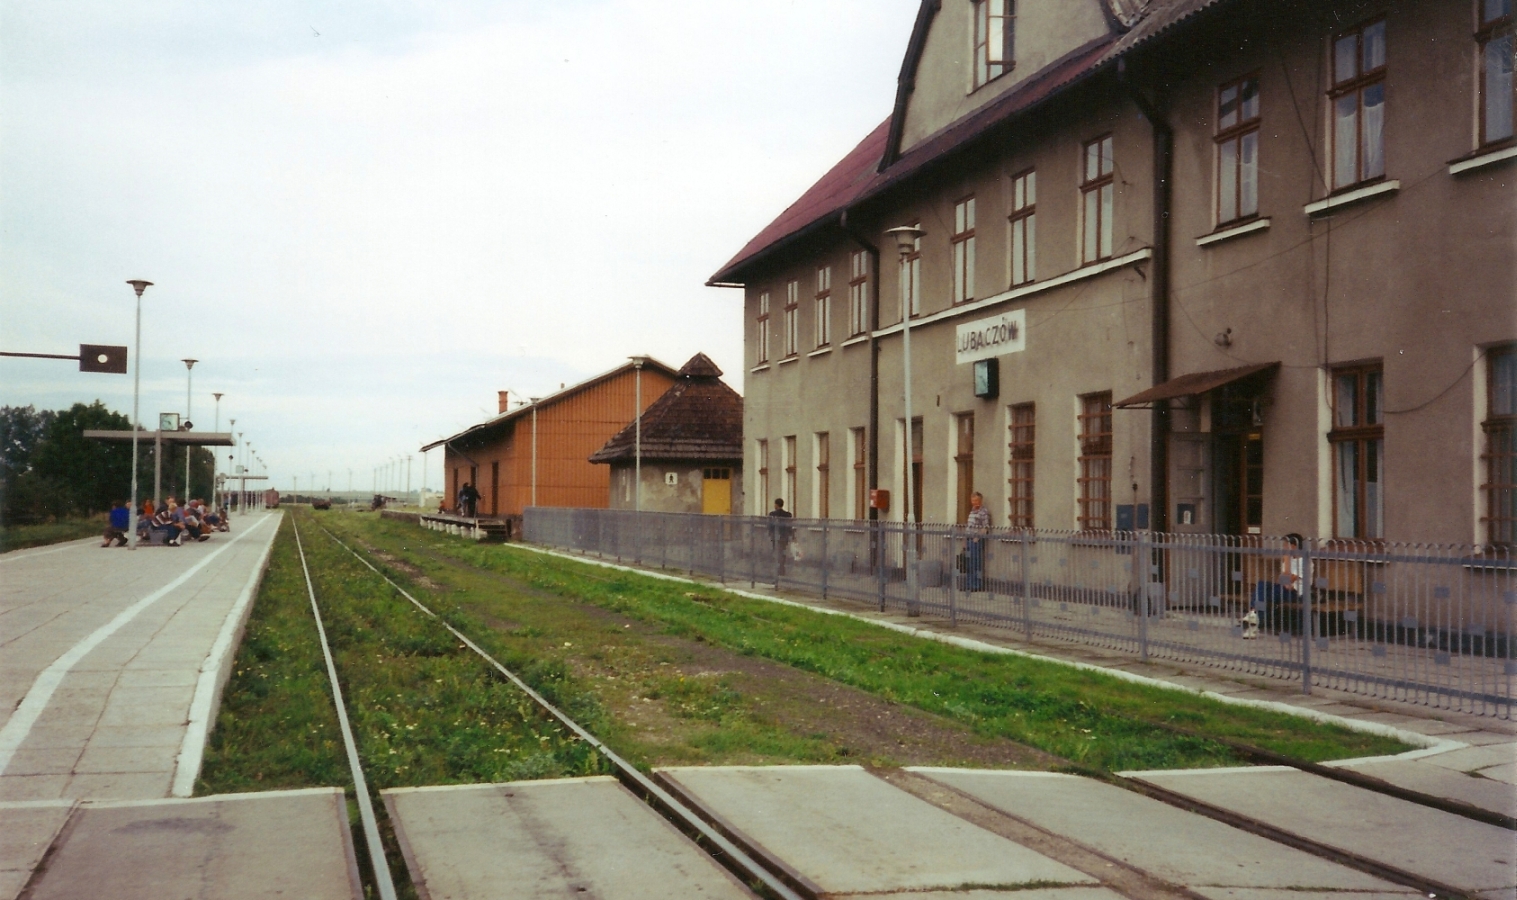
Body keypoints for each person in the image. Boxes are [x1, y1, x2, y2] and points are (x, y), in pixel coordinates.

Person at [1250, 533, 1307, 634]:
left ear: (1293, 546)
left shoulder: (1305, 562)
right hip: (1284, 588)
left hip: (1296, 593)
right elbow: (1282, 580)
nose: (1284, 548)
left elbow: (1289, 580)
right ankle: (1255, 617)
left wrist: (1286, 559)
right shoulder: (1288, 561)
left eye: (1286, 545)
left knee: (1264, 595)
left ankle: (1255, 617)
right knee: (1261, 584)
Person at [963, 491, 991, 592]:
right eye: (973, 500)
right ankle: (969, 584)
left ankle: (976, 585)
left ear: (980, 500)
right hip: (969, 539)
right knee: (969, 563)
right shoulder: (972, 511)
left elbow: (986, 527)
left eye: (976, 500)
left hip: (976, 541)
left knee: (976, 563)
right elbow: (968, 527)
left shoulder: (983, 512)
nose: (975, 502)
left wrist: (977, 538)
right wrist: (965, 541)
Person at [767, 498, 794, 576]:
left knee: (777, 552)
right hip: (784, 536)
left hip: (776, 536)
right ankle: (782, 569)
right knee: (782, 552)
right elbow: (789, 526)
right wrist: (791, 535)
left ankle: (779, 569)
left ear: (776, 504)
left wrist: (770, 534)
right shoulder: (788, 515)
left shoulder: (772, 514)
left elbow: (770, 526)